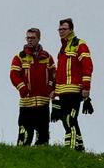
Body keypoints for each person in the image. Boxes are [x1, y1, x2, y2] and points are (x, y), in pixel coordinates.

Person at [51, 17, 94, 151]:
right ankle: (80, 147)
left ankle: (70, 148)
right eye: (59, 29)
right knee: (66, 119)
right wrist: (55, 90)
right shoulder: (62, 48)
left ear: (71, 29)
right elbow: (60, 72)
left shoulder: (79, 44)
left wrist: (86, 87)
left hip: (75, 90)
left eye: (64, 29)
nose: (61, 31)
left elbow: (88, 66)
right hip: (63, 92)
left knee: (70, 118)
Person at [9, 28, 56, 146]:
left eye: (32, 38)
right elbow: (14, 75)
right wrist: (23, 88)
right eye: (28, 38)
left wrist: (50, 89)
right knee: (24, 137)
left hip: (43, 104)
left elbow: (54, 75)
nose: (29, 40)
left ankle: (41, 160)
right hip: (27, 104)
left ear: (39, 39)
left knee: (43, 138)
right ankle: (21, 158)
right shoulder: (20, 57)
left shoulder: (47, 57)